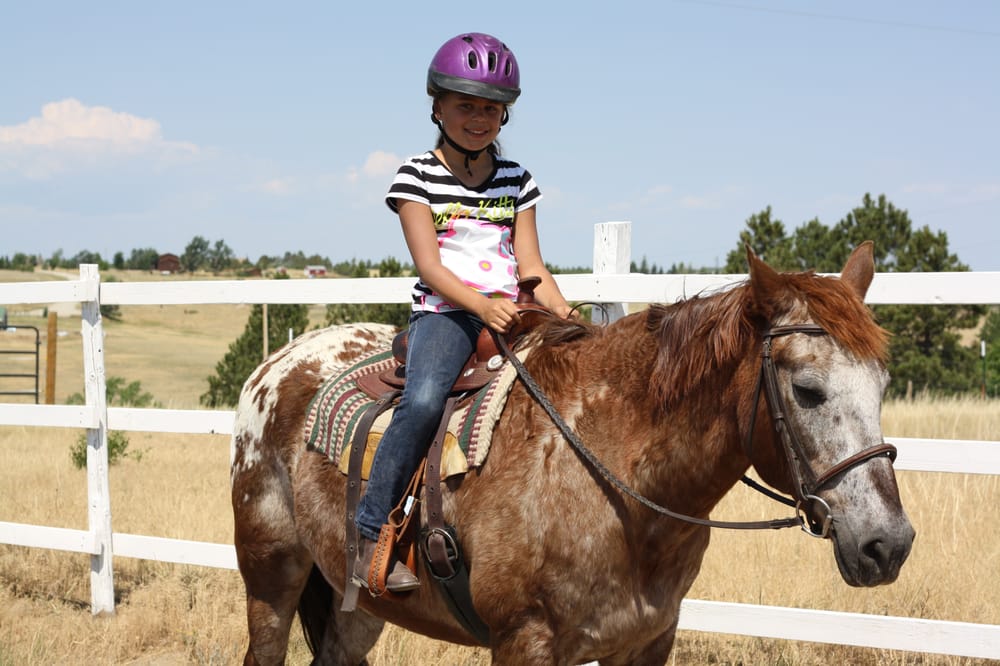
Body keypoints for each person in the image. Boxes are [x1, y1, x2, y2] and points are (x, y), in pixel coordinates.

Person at [353, 32, 574, 593]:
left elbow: (532, 265)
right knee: (425, 402)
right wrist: (483, 306)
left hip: (512, 311)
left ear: (505, 115)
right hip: (447, 314)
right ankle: (369, 531)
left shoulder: (516, 180)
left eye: (491, 109)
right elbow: (430, 267)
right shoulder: (414, 176)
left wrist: (567, 315)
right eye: (466, 105)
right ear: (438, 106)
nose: (480, 118)